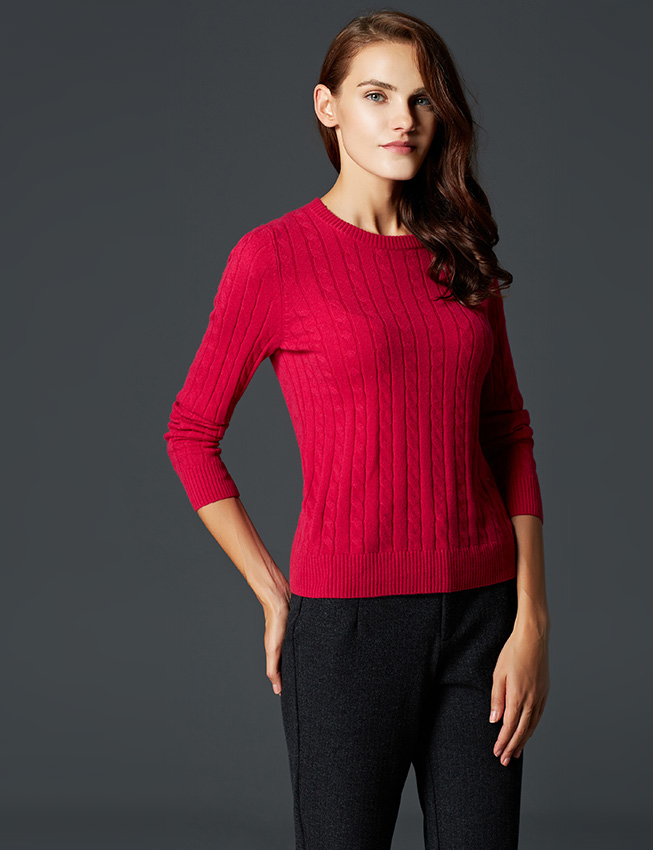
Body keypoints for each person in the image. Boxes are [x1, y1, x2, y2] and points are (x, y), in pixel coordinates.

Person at [163, 9, 551, 850]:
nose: (403, 119)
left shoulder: (463, 252)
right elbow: (191, 433)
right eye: (376, 95)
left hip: (484, 623)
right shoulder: (273, 256)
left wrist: (531, 622)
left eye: (421, 99)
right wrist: (275, 593)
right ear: (328, 106)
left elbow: (507, 433)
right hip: (346, 632)